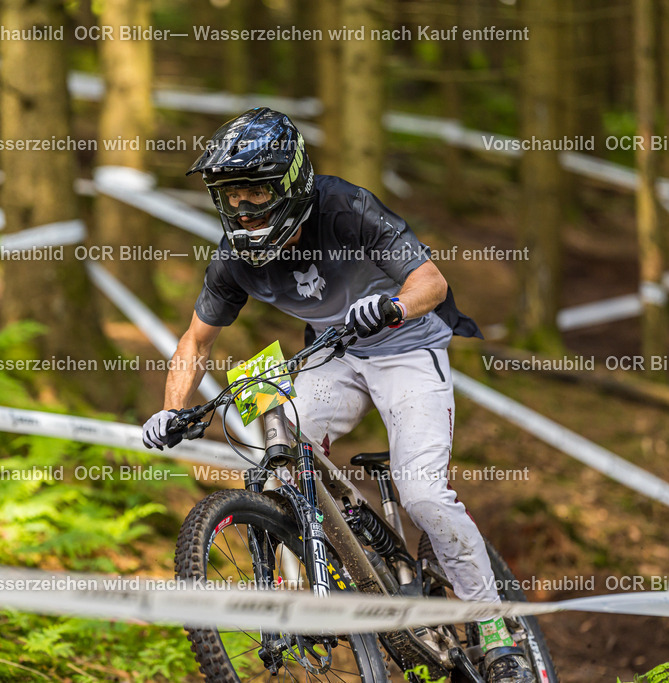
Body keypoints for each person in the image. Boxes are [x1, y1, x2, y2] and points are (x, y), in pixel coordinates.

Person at [141, 108, 535, 683]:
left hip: (406, 347)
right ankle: (311, 580)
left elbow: (432, 282)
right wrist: (172, 411)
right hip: (337, 353)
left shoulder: (346, 209)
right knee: (278, 457)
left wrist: (394, 305)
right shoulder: (233, 258)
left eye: (256, 192)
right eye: (231, 196)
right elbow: (195, 340)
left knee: (423, 493)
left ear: (291, 184)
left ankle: (497, 631)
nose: (243, 209)